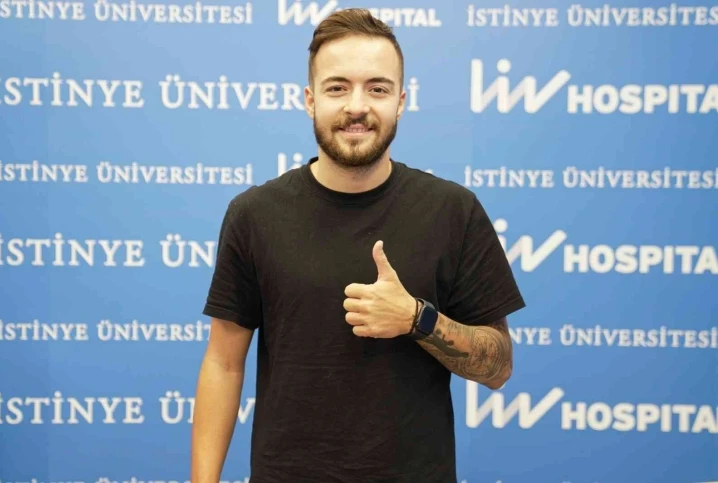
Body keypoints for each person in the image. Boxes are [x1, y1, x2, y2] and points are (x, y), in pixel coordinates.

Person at [190, 8, 525, 483]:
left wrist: (417, 318)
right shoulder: (254, 214)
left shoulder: (453, 211)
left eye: (377, 88)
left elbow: (498, 367)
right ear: (310, 100)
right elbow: (223, 364)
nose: (356, 106)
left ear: (401, 102)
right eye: (337, 87)